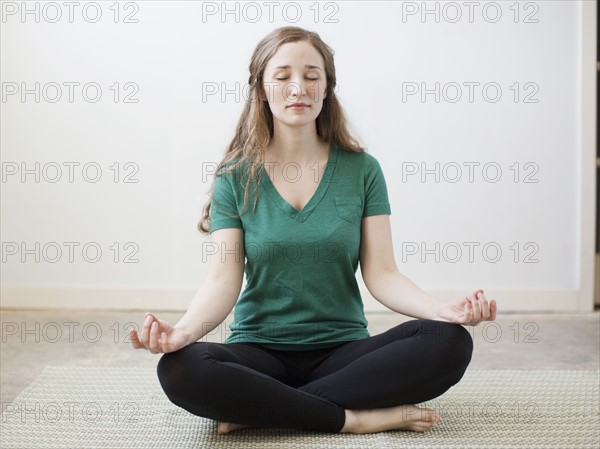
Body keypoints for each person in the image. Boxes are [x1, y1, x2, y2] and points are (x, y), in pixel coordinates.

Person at [129, 26, 498, 436]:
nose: (297, 88)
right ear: (262, 90)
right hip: (258, 350)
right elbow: (222, 280)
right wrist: (182, 332)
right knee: (180, 369)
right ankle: (350, 418)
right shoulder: (235, 177)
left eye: (311, 75)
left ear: (327, 88)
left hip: (343, 352)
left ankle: (263, 407)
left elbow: (383, 274)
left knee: (448, 341)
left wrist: (441, 311)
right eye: (283, 76)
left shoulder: (362, 170)